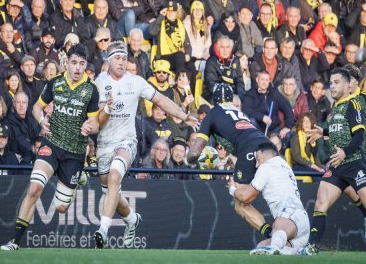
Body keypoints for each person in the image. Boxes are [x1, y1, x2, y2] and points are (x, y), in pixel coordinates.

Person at [93, 41, 198, 249]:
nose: (122, 62)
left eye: (124, 58)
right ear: (108, 60)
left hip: (127, 141)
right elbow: (98, 120)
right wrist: (107, 109)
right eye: (117, 58)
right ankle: (132, 219)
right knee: (111, 194)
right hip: (104, 142)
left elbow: (160, 100)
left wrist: (183, 115)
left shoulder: (136, 81)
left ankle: (102, 230)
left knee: (115, 175)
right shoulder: (99, 82)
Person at [0, 43, 100, 251]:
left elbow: (96, 123)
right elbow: (37, 107)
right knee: (34, 187)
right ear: (66, 63)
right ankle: (14, 241)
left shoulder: (91, 90)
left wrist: (90, 126)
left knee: (62, 207)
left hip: (74, 153)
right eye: (74, 63)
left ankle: (78, 175)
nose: (78, 68)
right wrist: (41, 121)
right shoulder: (55, 83)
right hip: (51, 144)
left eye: (82, 64)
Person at [187, 83, 274, 240]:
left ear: (214, 100)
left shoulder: (212, 114)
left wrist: (192, 159)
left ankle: (273, 236)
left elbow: (194, 153)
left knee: (241, 204)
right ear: (231, 99)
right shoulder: (240, 113)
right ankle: (289, 233)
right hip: (269, 147)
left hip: (248, 151)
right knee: (274, 194)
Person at [304, 68, 366, 254]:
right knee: (320, 203)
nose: (332, 86)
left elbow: (359, 134)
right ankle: (312, 247)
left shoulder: (353, 103)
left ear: (348, 86)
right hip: (337, 167)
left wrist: (345, 153)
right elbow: (341, 130)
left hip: (355, 163)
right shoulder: (336, 106)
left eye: (337, 82)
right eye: (331, 83)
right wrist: (323, 132)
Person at [230, 142, 310, 255]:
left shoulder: (266, 166)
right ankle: (299, 251)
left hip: (290, 217)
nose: (256, 165)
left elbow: (245, 197)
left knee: (276, 231)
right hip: (300, 224)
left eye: (257, 159)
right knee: (261, 247)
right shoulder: (284, 164)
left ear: (266, 154)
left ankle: (275, 247)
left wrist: (233, 189)